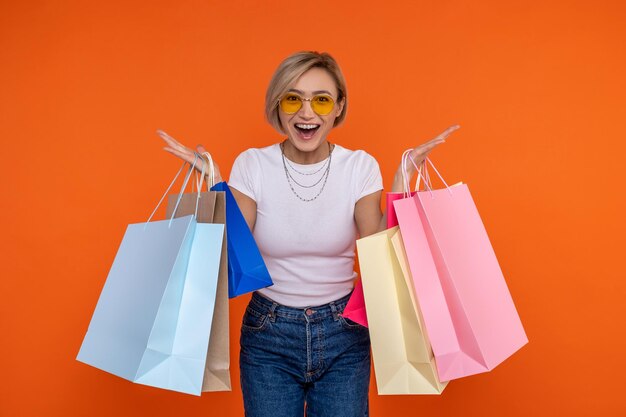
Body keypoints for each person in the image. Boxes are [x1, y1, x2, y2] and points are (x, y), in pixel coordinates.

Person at [161, 51, 459, 417]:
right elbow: (233, 254)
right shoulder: (253, 165)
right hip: (268, 332)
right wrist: (214, 184)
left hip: (344, 333)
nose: (307, 113)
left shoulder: (359, 167)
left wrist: (400, 183)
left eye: (321, 100)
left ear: (338, 107)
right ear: (278, 106)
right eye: (293, 98)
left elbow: (376, 252)